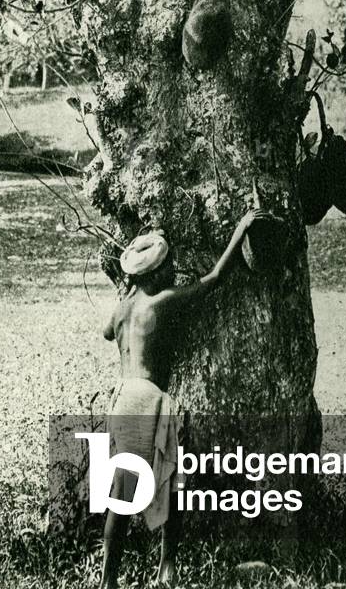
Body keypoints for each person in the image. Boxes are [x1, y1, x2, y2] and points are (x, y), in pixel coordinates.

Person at [100, 208, 265, 588]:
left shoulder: (125, 307)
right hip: (148, 398)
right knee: (173, 484)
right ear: (155, 275)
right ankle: (166, 568)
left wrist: (130, 297)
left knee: (123, 491)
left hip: (123, 398)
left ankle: (109, 580)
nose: (173, 273)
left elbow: (108, 333)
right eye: (168, 268)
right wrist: (240, 230)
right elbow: (214, 279)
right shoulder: (164, 301)